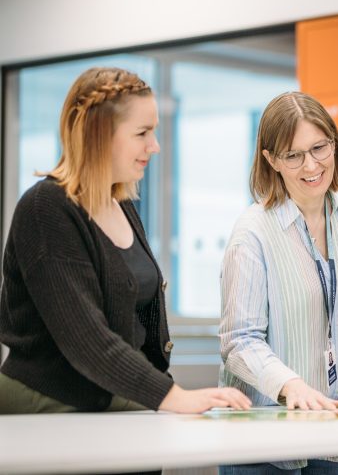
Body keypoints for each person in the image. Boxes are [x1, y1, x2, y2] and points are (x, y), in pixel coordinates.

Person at [0, 67, 251, 415]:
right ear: (97, 133)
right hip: (49, 404)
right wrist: (172, 397)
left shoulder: (123, 205)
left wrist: (159, 395)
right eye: (142, 132)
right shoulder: (46, 209)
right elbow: (85, 339)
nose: (155, 146)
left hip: (114, 398)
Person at [219, 91, 338, 474]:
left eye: (320, 148)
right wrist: (291, 386)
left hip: (337, 429)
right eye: (294, 155)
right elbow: (239, 341)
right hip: (265, 443)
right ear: (271, 159)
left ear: (334, 144)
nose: (312, 165)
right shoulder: (253, 232)